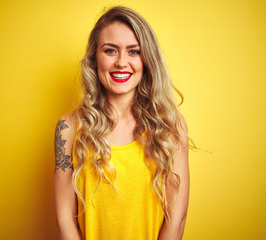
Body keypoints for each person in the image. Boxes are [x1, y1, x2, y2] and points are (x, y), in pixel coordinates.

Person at [53, 6, 192, 240]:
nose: (121, 62)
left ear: (147, 59)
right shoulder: (68, 128)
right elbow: (64, 218)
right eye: (110, 50)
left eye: (133, 51)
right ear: (94, 58)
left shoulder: (170, 126)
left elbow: (176, 220)